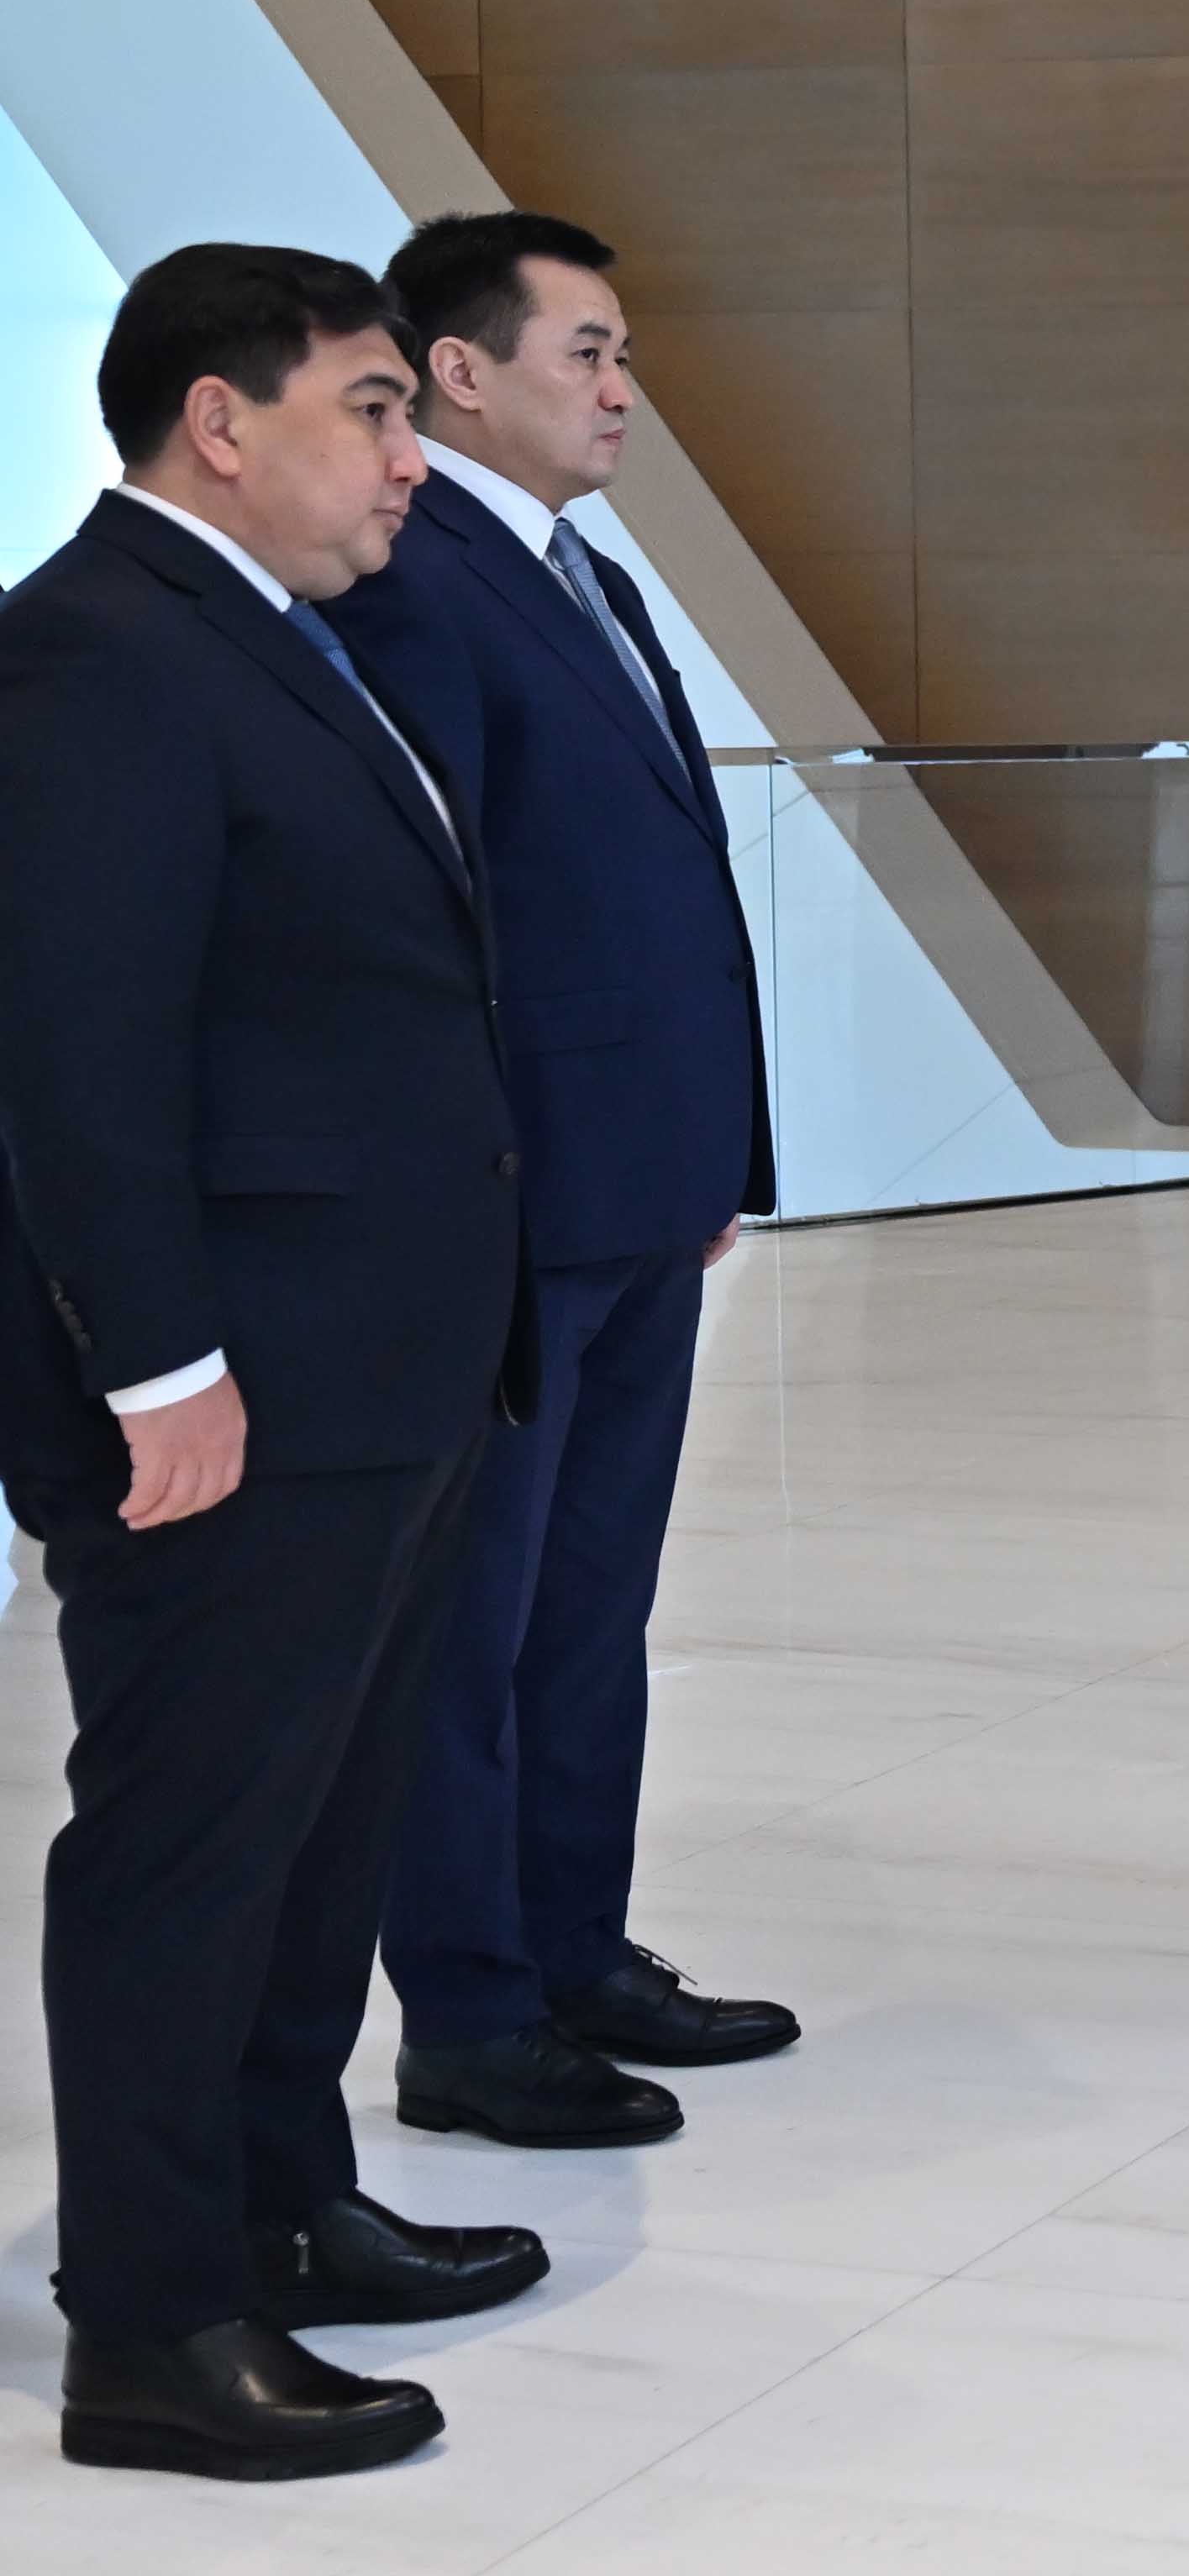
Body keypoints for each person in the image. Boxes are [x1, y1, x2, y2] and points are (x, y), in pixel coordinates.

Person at [0, 246, 544, 2480]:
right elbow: (75, 1056)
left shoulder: (268, 639)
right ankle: (152, 2319)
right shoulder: (94, 651)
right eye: (373, 411)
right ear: (219, 424)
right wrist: (157, 1370)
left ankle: (278, 2202)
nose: (412, 461)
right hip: (238, 1388)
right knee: (194, 1846)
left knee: (319, 1832)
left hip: (374, 1368)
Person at [337, 211, 788, 2154]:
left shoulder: (575, 569)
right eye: (585, 352)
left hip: (636, 1191)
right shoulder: (416, 579)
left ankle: (575, 1948)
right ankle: (471, 2009)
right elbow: (429, 919)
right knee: (481, 1625)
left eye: (621, 353)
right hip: (517, 1206)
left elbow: (654, 886)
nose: (622, 391)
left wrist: (713, 1150)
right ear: (459, 371)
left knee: (593, 1605)